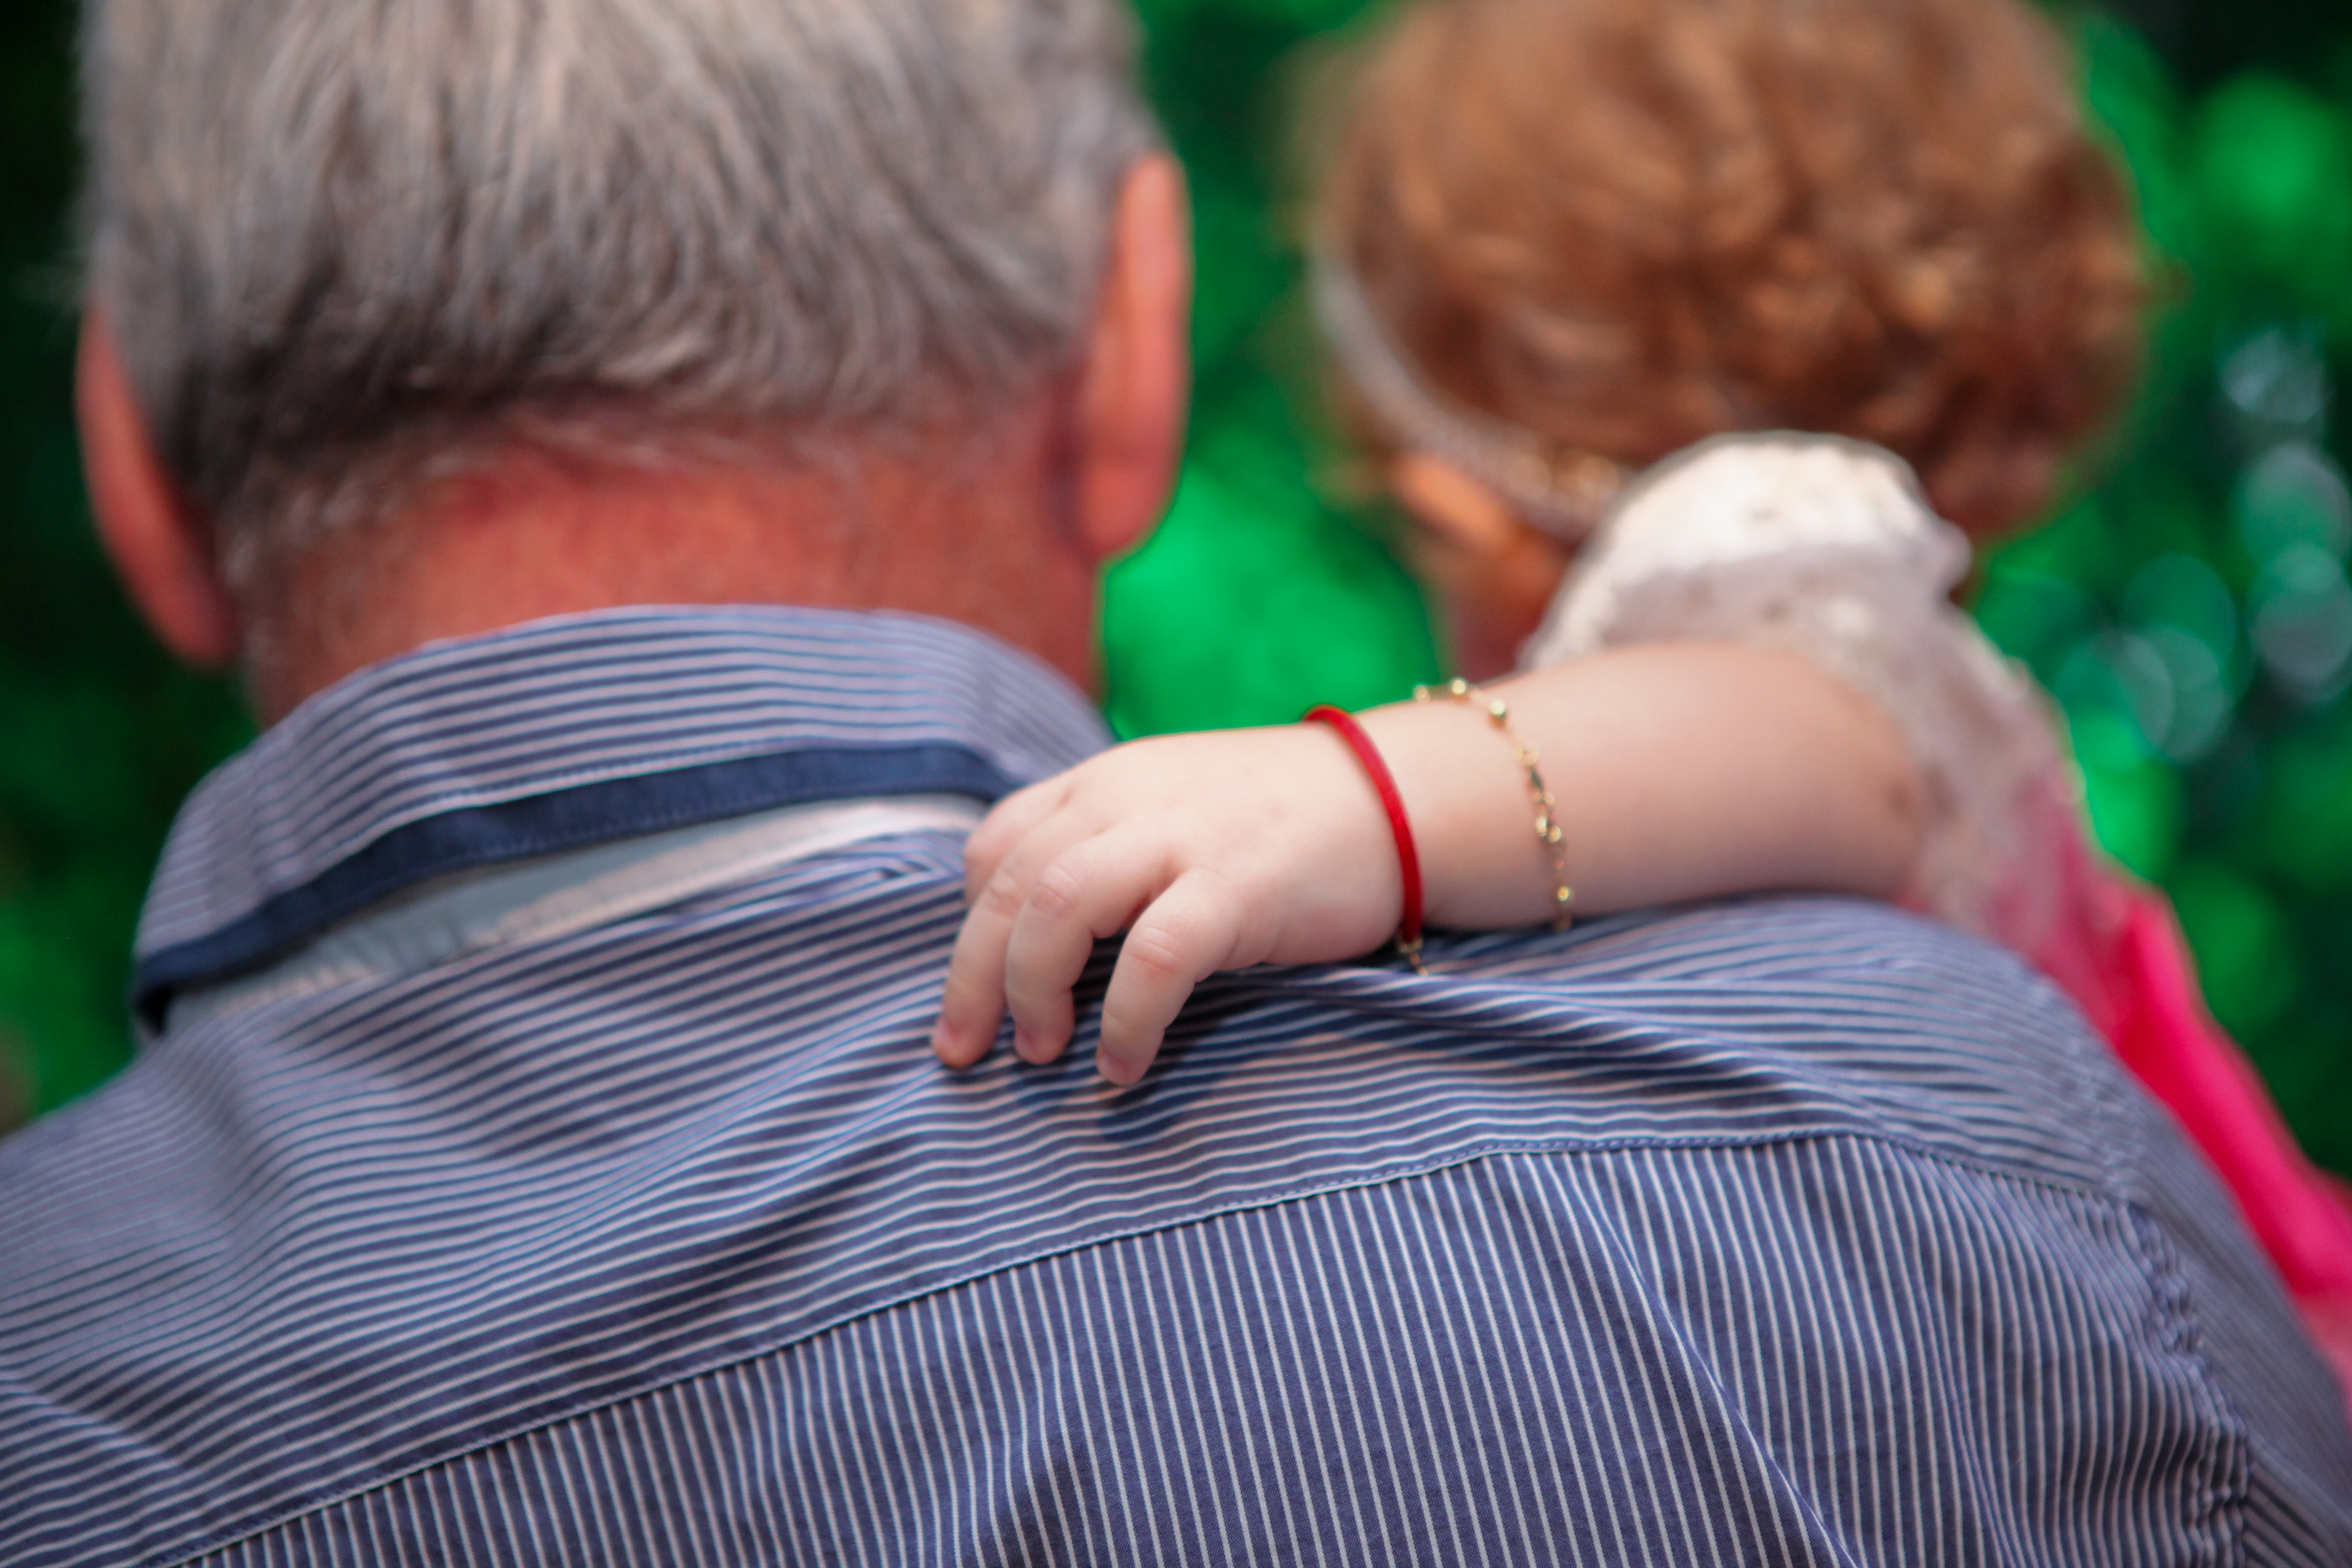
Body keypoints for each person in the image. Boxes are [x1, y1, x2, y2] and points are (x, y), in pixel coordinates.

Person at [3, 3, 2350, 1567]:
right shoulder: (1960, 1182)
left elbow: (1837, 715)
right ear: (1131, 353)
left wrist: (1369, 799)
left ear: (131, 461)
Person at [935, 0, 2352, 1400]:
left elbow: (1818, 732)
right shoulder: (1912, 681)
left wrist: (1367, 796)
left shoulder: (1817, 642)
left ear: (1464, 513)